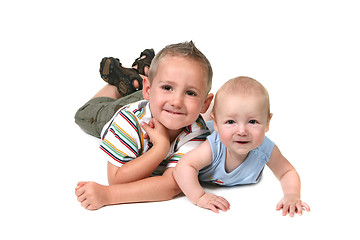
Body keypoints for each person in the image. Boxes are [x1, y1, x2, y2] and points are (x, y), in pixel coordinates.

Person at [74, 41, 214, 210]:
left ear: (205, 104)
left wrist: (160, 146)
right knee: (84, 114)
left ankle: (142, 71)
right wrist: (160, 148)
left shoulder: (196, 131)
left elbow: (172, 185)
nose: (177, 101)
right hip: (121, 109)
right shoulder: (128, 121)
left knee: (160, 93)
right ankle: (126, 80)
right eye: (168, 87)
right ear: (148, 89)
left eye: (190, 93)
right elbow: (117, 179)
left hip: (157, 102)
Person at [173, 76, 310, 217]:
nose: (242, 131)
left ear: (267, 123)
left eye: (252, 121)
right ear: (217, 123)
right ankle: (207, 115)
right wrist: (200, 197)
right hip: (195, 132)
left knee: (225, 115)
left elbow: (287, 172)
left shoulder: (265, 149)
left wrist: (292, 195)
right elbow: (183, 167)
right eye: (231, 121)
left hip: (219, 125)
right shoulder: (214, 146)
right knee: (187, 126)